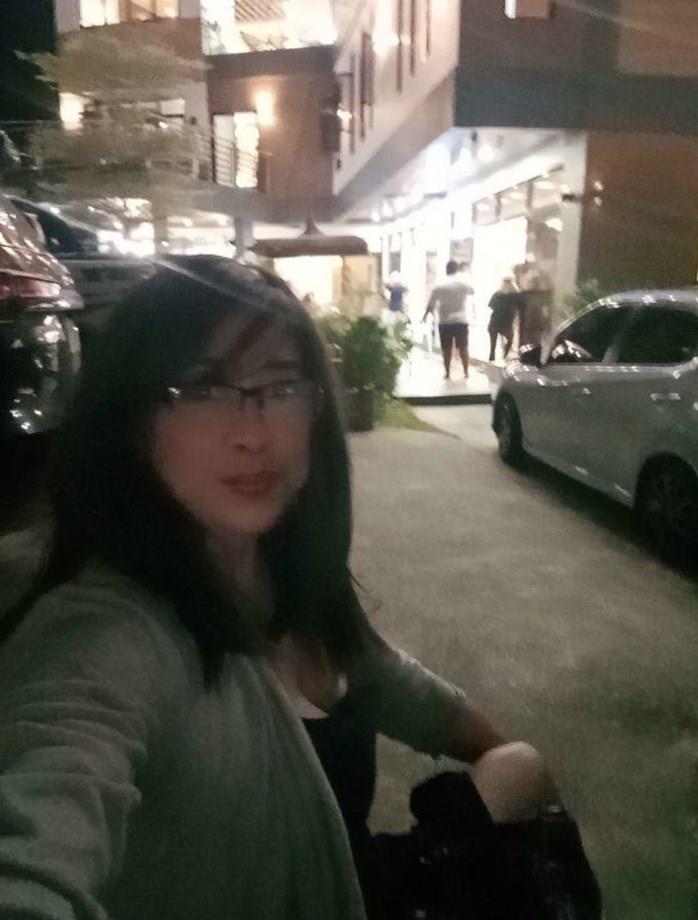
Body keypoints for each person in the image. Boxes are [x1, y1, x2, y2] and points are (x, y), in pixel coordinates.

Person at [0, 257, 582, 920]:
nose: (253, 434)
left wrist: (499, 757)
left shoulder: (282, 577)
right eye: (202, 389)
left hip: (350, 884)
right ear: (130, 422)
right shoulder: (106, 633)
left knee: (521, 768)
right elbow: (41, 815)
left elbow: (387, 680)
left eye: (279, 386)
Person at [422, 260, 473, 380]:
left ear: (446, 270)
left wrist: (425, 316)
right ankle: (466, 372)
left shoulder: (440, 285)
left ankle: (447, 373)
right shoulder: (463, 284)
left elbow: (431, 304)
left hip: (445, 321)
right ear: (457, 269)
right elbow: (472, 291)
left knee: (446, 348)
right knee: (463, 347)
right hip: (461, 320)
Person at [488, 276, 522, 362]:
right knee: (510, 339)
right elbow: (521, 308)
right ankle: (505, 355)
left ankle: (492, 354)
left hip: (495, 321)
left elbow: (491, 306)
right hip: (507, 322)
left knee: (493, 340)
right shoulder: (516, 295)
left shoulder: (497, 294)